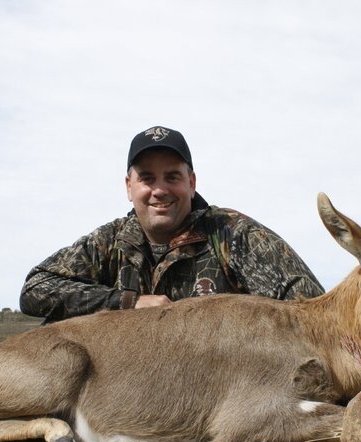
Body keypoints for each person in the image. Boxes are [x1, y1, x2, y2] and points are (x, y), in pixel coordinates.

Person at [20, 126, 324, 323]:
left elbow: (314, 313)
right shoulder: (107, 242)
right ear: (129, 187)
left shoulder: (236, 235)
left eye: (172, 177)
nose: (160, 190)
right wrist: (129, 302)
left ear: (191, 183)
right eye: (147, 178)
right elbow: (34, 290)